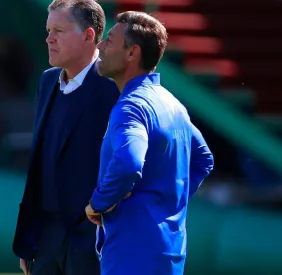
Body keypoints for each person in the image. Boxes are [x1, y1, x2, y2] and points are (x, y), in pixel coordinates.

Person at [84, 11, 214, 275]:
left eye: (109, 40)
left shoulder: (131, 107)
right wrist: (165, 202)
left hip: (133, 255)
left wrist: (98, 203)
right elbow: (204, 159)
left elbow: (129, 163)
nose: (100, 46)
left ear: (132, 53)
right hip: (170, 253)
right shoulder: (172, 104)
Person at [12, 1, 120, 275]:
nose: (49, 38)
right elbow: (40, 163)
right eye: (48, 30)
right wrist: (29, 237)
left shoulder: (115, 87)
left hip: (93, 239)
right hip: (45, 236)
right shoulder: (47, 81)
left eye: (59, 30)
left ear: (89, 35)